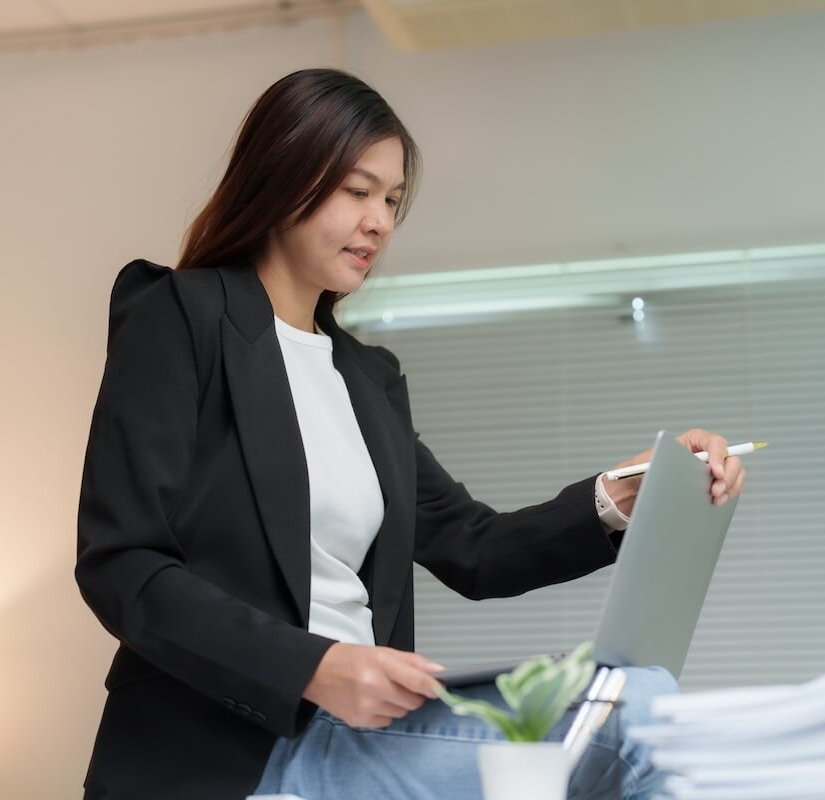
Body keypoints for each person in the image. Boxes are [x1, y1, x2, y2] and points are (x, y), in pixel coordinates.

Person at [75, 68, 747, 800]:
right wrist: (313, 667)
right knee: (634, 715)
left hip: (360, 743)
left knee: (639, 697)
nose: (380, 222)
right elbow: (122, 564)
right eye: (357, 192)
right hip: (226, 753)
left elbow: (474, 547)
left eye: (392, 200)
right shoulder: (180, 315)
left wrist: (623, 494)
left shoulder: (367, 379)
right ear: (282, 178)